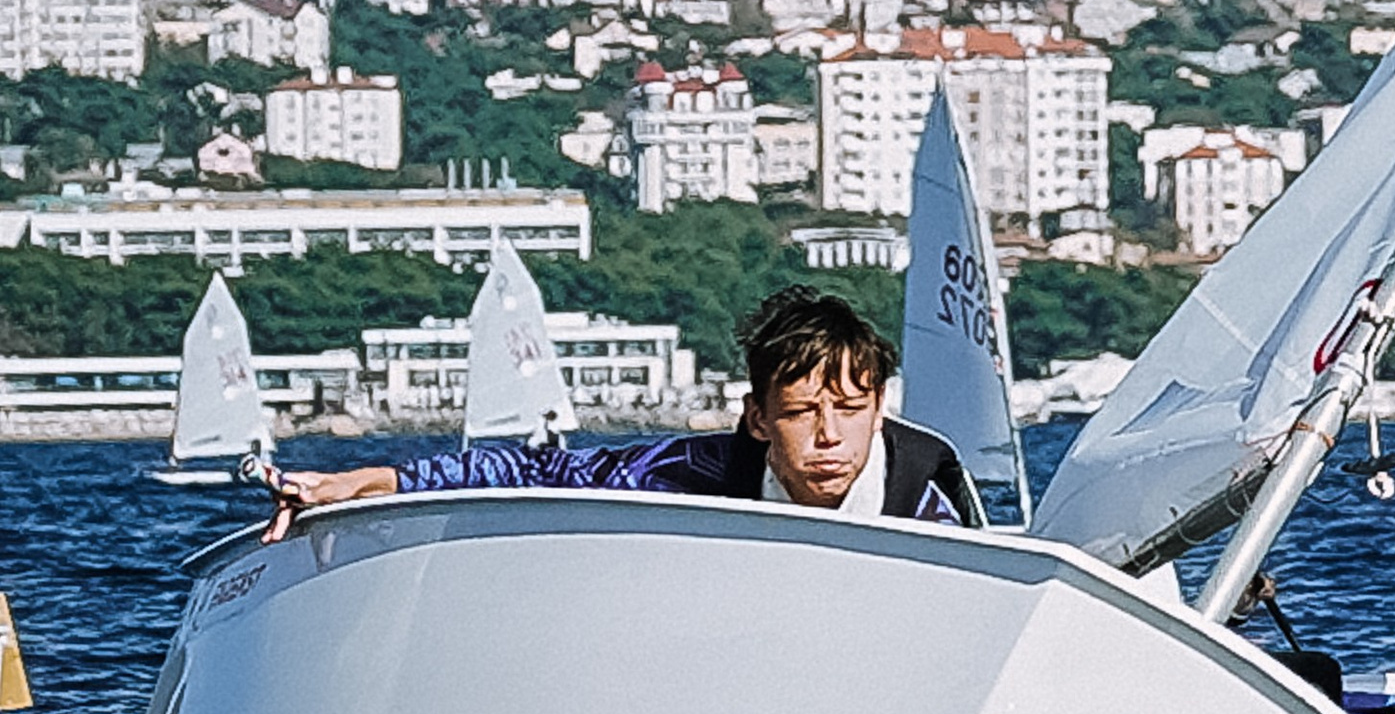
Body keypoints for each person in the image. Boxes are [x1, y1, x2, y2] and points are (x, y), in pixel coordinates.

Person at [264, 286, 986, 535]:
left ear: (879, 406)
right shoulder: (697, 469)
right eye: (800, 413)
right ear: (758, 419)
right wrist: (375, 483)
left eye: (851, 409)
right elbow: (540, 472)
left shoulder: (922, 493)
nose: (830, 436)